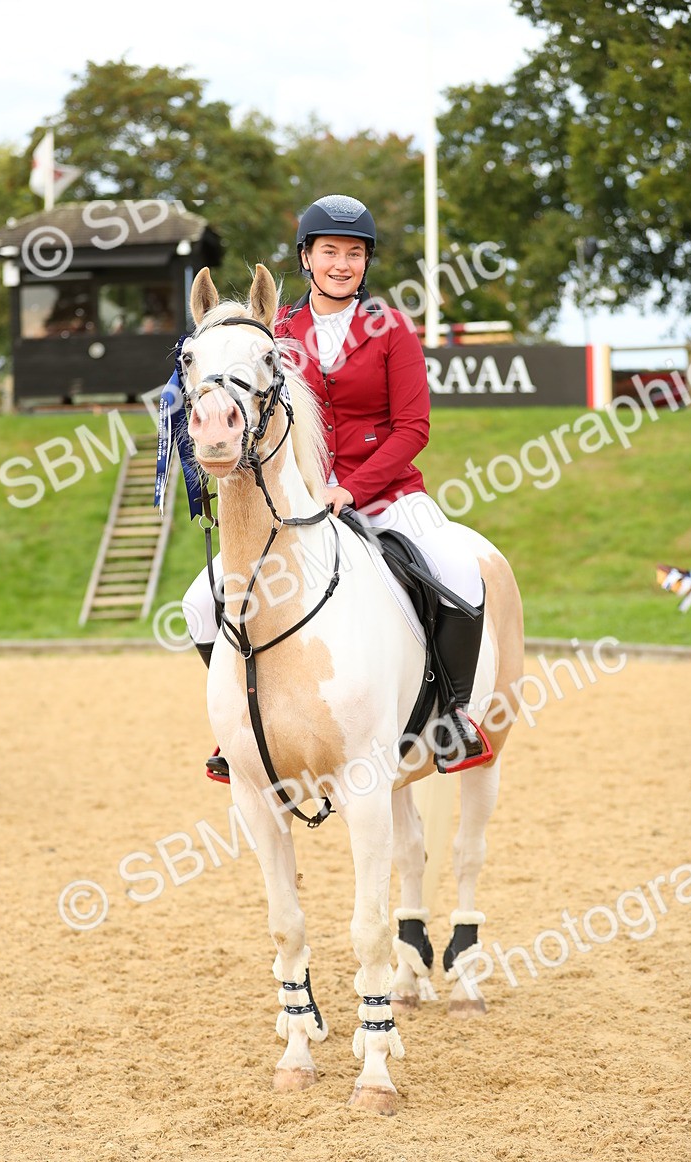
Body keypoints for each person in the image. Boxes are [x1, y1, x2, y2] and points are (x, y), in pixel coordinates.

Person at [183, 194, 487, 777]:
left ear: (366, 262)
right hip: (298, 505)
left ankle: (452, 714)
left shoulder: (393, 328)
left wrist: (350, 487)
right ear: (307, 257)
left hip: (390, 496)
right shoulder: (277, 331)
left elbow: (413, 428)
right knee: (201, 603)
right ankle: (238, 728)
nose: (342, 264)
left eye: (354, 253)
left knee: (459, 571)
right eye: (330, 252)